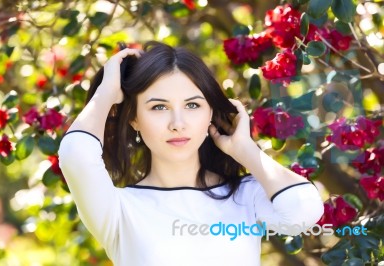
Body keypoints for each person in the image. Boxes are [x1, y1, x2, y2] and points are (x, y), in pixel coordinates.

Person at [58, 41, 324, 265]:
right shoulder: (118, 209)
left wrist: (245, 150)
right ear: (134, 119)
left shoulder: (245, 195)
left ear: (210, 112)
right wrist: (107, 92)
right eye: (159, 107)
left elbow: (303, 210)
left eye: (193, 105)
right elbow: (76, 155)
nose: (178, 123)